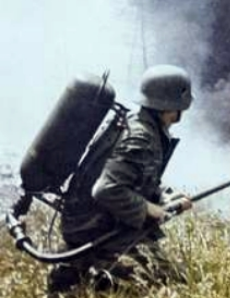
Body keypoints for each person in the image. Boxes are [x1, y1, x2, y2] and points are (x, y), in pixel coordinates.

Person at [47, 64, 194, 294]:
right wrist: (152, 209)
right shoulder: (141, 137)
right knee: (173, 283)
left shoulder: (139, 124)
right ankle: (92, 274)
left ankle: (83, 275)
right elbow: (106, 190)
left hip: (90, 221)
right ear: (171, 106)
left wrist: (164, 195)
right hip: (95, 228)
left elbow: (139, 176)